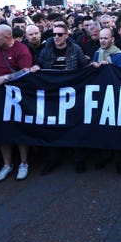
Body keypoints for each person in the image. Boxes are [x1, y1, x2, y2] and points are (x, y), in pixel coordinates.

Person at [33, 23, 91, 175]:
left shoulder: (75, 49)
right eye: (54, 34)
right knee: (52, 125)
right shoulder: (46, 50)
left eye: (60, 34)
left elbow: (84, 66)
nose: (56, 37)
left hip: (72, 93)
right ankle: (53, 159)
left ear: (66, 35)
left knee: (76, 124)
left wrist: (95, 65)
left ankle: (79, 159)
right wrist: (36, 67)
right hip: (52, 93)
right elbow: (39, 64)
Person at [0, 24, 34, 182]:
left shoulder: (22, 50)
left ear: (7, 37)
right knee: (1, 128)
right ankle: (7, 165)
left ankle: (24, 163)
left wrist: (6, 78)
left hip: (18, 94)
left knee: (19, 128)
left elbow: (26, 71)